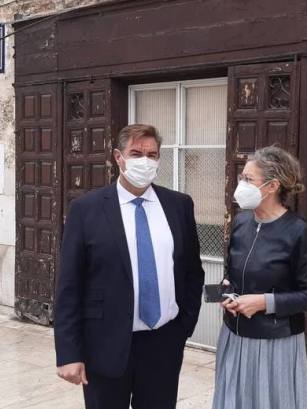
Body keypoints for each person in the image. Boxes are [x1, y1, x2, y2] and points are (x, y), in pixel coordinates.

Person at [54, 124, 205, 409]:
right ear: (118, 157)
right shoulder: (86, 209)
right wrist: (68, 352)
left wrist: (183, 325)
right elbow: (69, 284)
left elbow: (191, 271)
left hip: (163, 342)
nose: (144, 161)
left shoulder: (179, 205)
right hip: (105, 343)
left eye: (151, 154)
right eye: (136, 153)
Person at [213, 146, 307, 409]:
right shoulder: (241, 222)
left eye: (248, 179)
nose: (241, 185)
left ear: (273, 186)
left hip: (275, 341)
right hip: (234, 335)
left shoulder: (299, 231)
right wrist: (226, 290)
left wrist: (264, 302)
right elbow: (233, 272)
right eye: (241, 178)